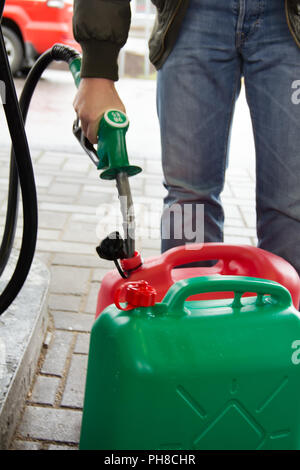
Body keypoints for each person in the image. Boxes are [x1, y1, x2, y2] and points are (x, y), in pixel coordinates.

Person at [73, 0, 300, 277]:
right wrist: (98, 68)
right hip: (192, 14)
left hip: (290, 21)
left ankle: (289, 317)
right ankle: (191, 313)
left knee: (292, 202)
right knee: (189, 201)